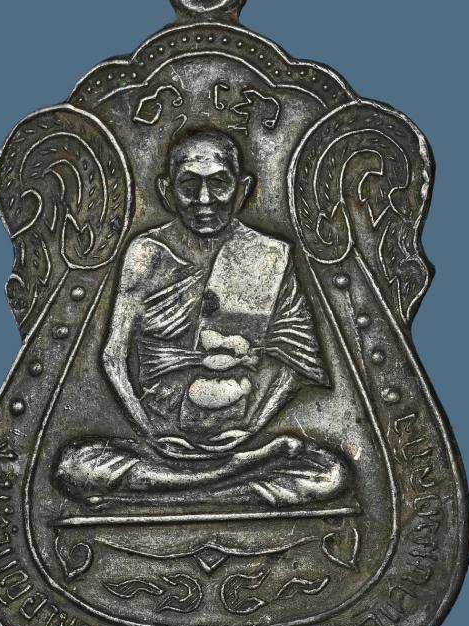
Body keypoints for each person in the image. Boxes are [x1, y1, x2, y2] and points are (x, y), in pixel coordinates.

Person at [54, 129, 351, 508]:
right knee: (74, 467)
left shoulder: (270, 255)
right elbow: (112, 357)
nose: (205, 200)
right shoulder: (147, 254)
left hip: (245, 439)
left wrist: (252, 432)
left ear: (243, 190)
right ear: (167, 191)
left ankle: (172, 492)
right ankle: (230, 483)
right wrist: (150, 434)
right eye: (189, 186)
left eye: (219, 184)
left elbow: (296, 362)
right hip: (159, 439)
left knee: (332, 474)